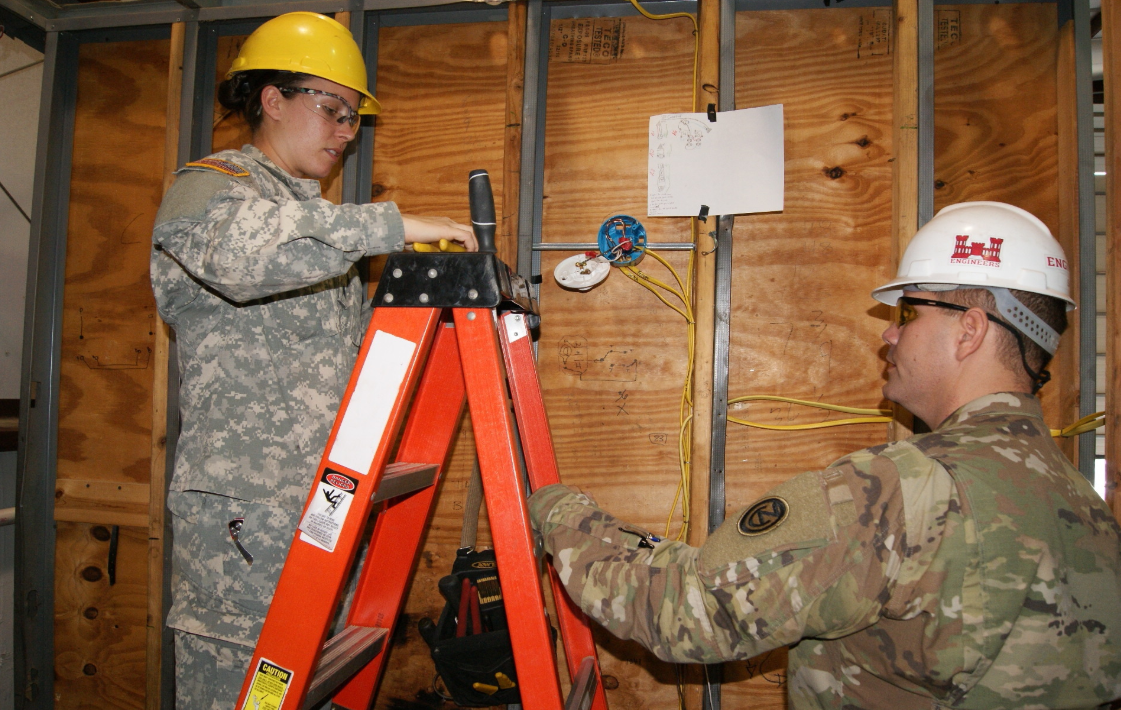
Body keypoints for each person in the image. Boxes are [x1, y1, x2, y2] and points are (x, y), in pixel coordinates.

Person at [528, 202, 1121, 708]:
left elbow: (683, 611)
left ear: (968, 330)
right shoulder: (1088, 510)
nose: (890, 334)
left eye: (907, 313)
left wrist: (556, 510)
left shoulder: (898, 490)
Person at [149, 12, 476, 709]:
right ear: (272, 99)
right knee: (244, 692)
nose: (344, 132)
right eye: (332, 110)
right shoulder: (210, 187)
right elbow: (240, 258)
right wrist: (392, 222)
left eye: (354, 119)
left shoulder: (323, 227)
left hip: (328, 506)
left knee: (314, 686)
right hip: (247, 519)